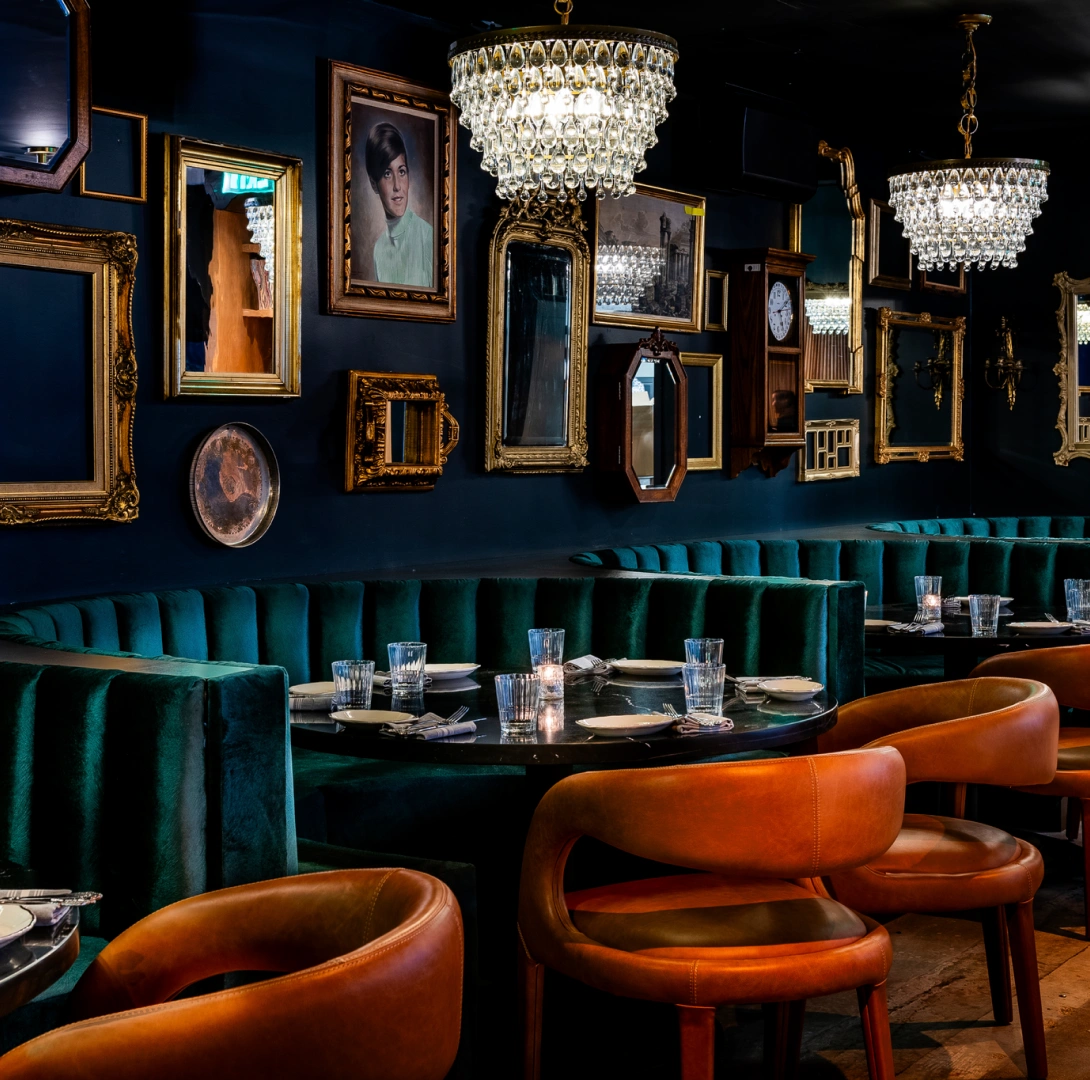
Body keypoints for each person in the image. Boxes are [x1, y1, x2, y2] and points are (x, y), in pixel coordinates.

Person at [365, 122, 433, 288]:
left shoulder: (427, 237)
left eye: (401, 171)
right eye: (387, 174)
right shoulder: (379, 250)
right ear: (374, 184)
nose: (397, 186)